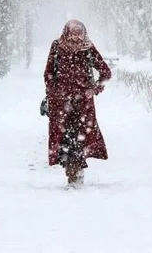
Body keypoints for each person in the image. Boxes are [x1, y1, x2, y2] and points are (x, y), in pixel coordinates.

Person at [43, 19, 112, 187]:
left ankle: (75, 174)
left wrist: (94, 89)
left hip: (82, 105)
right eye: (72, 36)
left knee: (77, 138)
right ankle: (72, 172)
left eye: (78, 36)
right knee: (66, 139)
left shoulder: (88, 49)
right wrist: (53, 92)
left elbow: (105, 72)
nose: (75, 40)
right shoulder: (57, 47)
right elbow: (49, 73)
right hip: (62, 104)